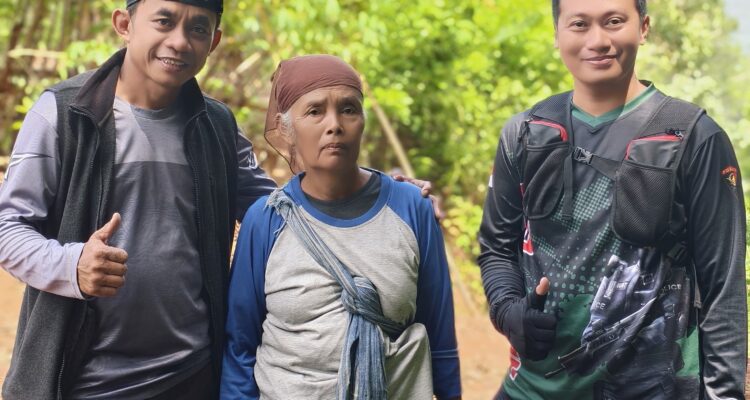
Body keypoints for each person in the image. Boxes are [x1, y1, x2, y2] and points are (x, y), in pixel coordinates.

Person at [0, 0, 274, 398]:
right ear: (124, 24)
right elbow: (7, 228)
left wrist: (364, 188)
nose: (179, 41)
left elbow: (278, 212)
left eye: (198, 29)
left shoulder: (217, 127)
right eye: (164, 21)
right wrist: (72, 265)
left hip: (192, 375)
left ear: (213, 42)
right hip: (81, 382)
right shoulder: (65, 113)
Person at [478, 0, 746, 399]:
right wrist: (507, 310)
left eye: (614, 21)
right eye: (579, 24)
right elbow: (497, 248)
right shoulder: (524, 134)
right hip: (531, 389)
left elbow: (723, 286)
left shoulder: (695, 138)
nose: (598, 40)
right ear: (557, 35)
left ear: (644, 27)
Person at [220, 55, 461, 400]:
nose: (334, 125)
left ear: (362, 121)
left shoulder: (412, 209)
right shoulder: (267, 220)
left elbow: (440, 339)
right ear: (286, 128)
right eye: (315, 111)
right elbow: (240, 346)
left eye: (348, 109)